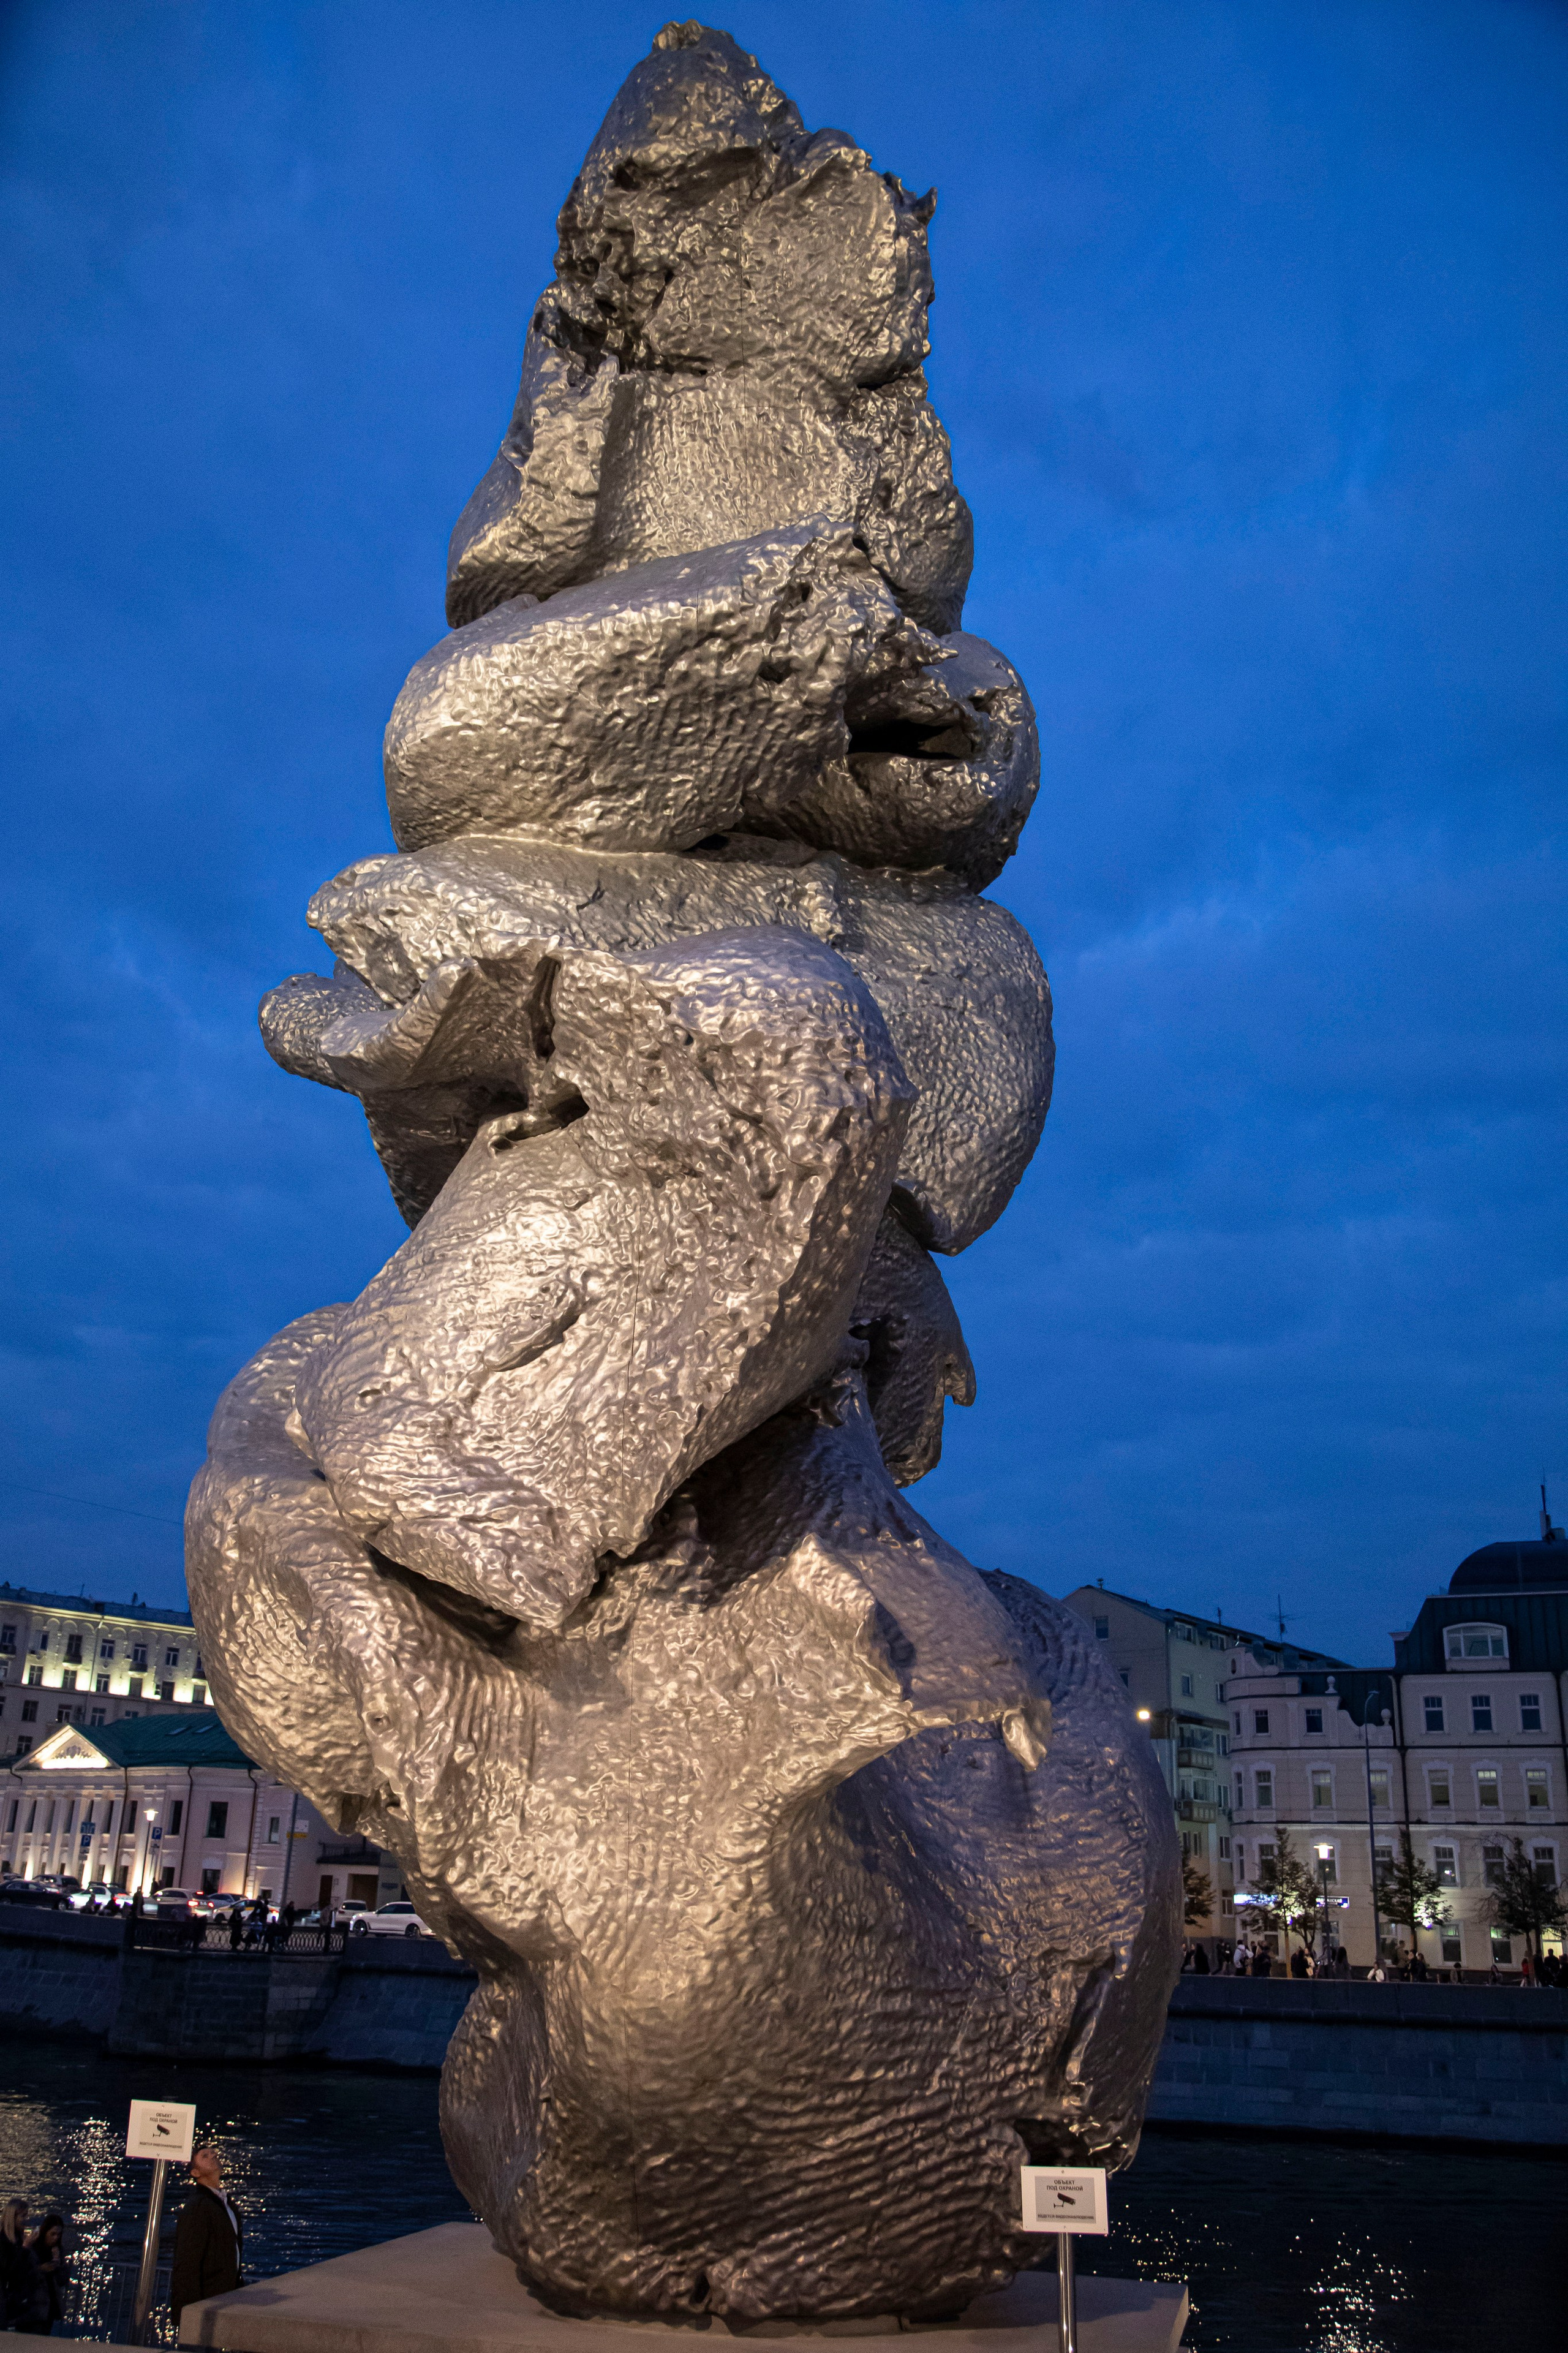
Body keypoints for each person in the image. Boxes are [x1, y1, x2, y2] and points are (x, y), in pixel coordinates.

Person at [170, 2147, 243, 2330]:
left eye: (212, 2153)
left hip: (226, 2296)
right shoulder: (198, 2206)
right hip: (209, 2299)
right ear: (195, 2173)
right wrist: (190, 2311)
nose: (213, 2155)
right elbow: (187, 2260)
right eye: (205, 2156)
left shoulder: (225, 2203)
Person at [30, 2216, 66, 2335]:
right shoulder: (33, 2248)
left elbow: (62, 2280)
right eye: (53, 2234)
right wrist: (41, 2269)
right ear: (45, 2232)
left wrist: (58, 2264)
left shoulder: (58, 2250)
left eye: (59, 2234)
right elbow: (24, 2274)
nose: (56, 2238)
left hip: (50, 2304)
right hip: (33, 2304)